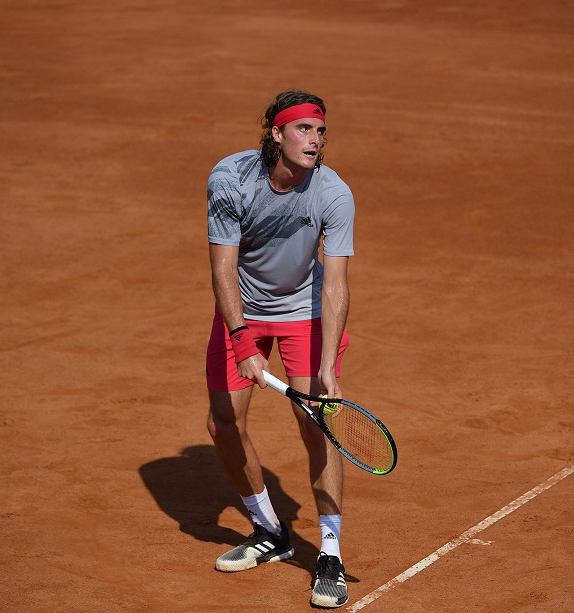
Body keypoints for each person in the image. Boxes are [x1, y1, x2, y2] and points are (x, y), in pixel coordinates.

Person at [205, 89, 355, 609]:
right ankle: (270, 531)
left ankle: (330, 554)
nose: (315, 140)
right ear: (276, 133)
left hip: (305, 313)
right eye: (304, 130)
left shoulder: (333, 193)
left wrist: (327, 363)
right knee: (223, 422)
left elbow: (335, 284)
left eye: (320, 131)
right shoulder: (230, 181)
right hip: (243, 309)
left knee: (316, 424)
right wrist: (243, 338)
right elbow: (223, 266)